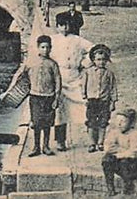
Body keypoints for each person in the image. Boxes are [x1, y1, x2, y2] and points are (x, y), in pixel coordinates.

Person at [8, 33, 61, 157]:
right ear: (38, 47)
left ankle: (46, 146)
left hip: (49, 96)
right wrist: (9, 90)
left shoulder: (53, 64)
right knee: (36, 123)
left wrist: (56, 98)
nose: (45, 50)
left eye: (48, 47)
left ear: (51, 48)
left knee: (47, 123)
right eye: (42, 47)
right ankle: (36, 146)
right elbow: (19, 74)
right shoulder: (31, 62)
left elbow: (58, 81)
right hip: (35, 96)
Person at [51, 11, 93, 150]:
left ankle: (93, 139)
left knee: (84, 106)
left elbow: (93, 50)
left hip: (75, 78)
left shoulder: (78, 40)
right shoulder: (53, 39)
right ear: (57, 26)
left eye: (67, 25)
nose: (64, 28)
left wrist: (84, 62)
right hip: (59, 78)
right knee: (60, 112)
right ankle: (60, 140)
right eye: (61, 25)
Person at [102, 108, 137, 195]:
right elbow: (108, 148)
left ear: (130, 123)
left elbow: (135, 153)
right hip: (121, 162)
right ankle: (110, 188)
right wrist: (124, 151)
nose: (119, 124)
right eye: (117, 121)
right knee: (106, 159)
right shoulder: (114, 132)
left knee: (125, 161)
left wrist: (119, 153)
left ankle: (127, 189)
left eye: (123, 121)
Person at [83, 43, 118, 152]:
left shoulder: (109, 74)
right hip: (92, 100)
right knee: (91, 122)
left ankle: (100, 142)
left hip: (104, 101)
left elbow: (113, 87)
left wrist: (113, 101)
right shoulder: (88, 72)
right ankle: (92, 143)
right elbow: (83, 85)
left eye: (103, 59)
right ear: (93, 60)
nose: (101, 62)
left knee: (103, 122)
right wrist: (84, 98)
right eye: (98, 59)